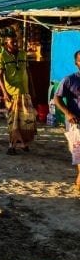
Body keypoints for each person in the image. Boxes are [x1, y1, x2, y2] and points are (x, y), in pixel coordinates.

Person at [0, 33, 33, 155]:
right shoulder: (1, 57)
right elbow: (0, 76)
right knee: (13, 121)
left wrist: (32, 89)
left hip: (25, 92)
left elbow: (28, 71)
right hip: (12, 93)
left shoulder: (23, 54)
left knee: (27, 120)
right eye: (13, 42)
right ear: (6, 44)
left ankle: (24, 144)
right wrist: (5, 93)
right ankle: (11, 146)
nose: (16, 44)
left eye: (16, 42)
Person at [52, 49, 80, 193]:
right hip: (76, 124)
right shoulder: (69, 80)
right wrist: (68, 113)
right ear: (76, 63)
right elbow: (57, 98)